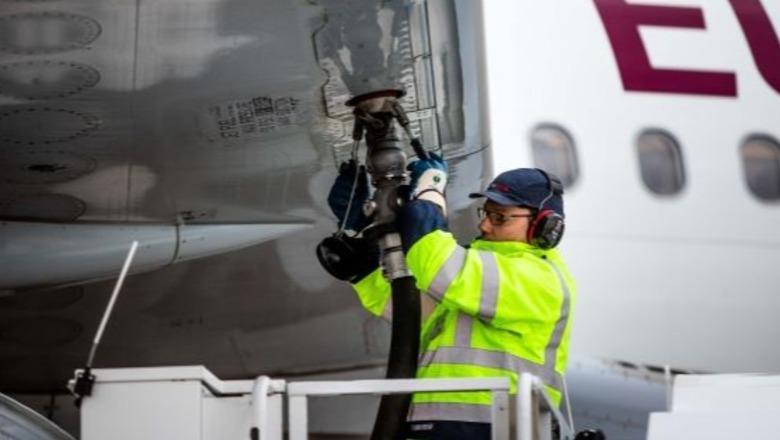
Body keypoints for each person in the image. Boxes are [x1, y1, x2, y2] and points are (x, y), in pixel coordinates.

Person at [326, 155, 576, 439]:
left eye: (500, 217)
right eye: (486, 213)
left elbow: (440, 268)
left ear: (544, 226)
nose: (484, 226)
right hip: (439, 429)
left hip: (496, 429)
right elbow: (411, 314)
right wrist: (366, 267)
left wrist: (430, 193)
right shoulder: (477, 278)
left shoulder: (540, 278)